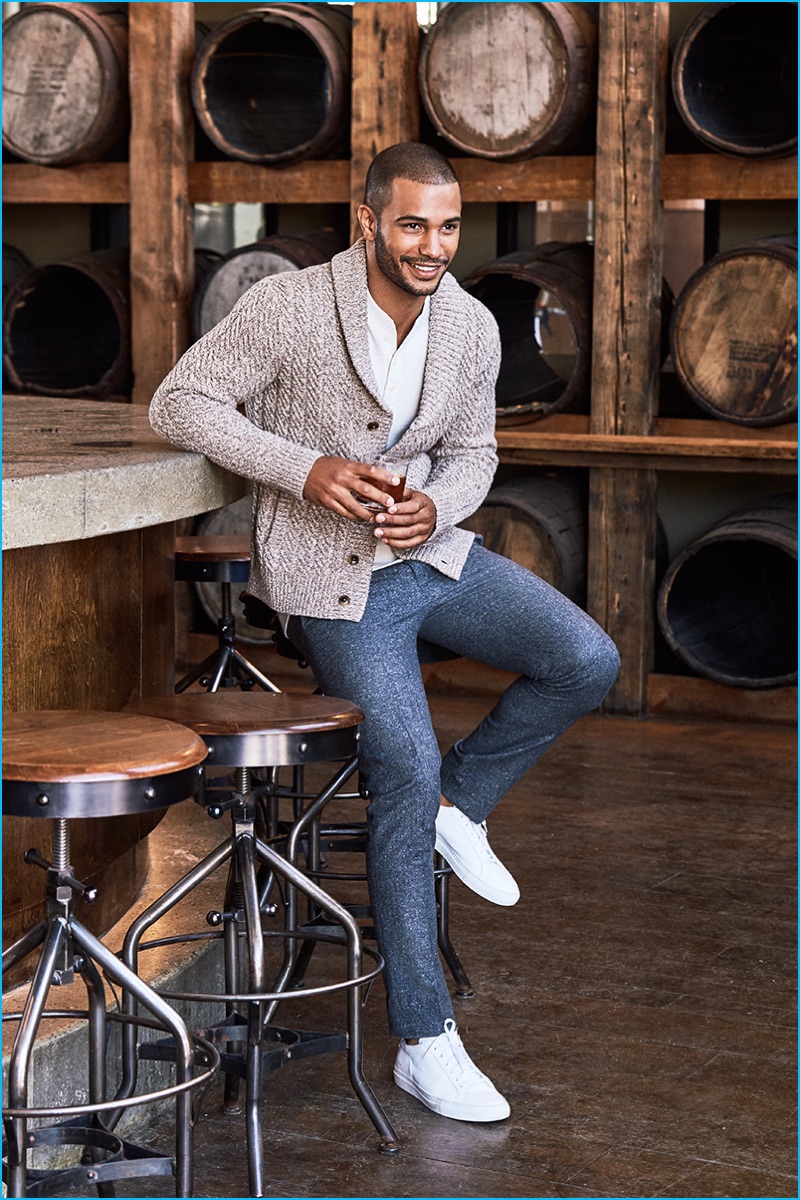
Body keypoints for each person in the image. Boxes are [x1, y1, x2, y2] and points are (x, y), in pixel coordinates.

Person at [150, 142, 620, 1124]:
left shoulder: (471, 325)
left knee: (583, 657)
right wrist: (305, 469)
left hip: (429, 560)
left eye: (447, 226)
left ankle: (464, 802)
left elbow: (475, 450)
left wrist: (436, 507)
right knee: (399, 763)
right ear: (367, 219)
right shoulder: (287, 306)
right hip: (328, 586)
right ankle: (425, 1041)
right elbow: (180, 402)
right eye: (411, 224)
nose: (430, 246)